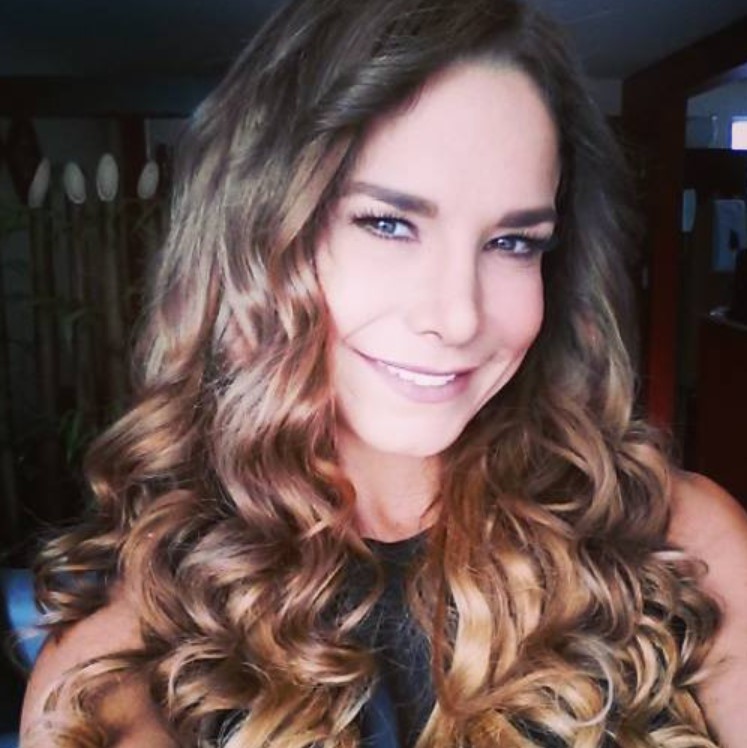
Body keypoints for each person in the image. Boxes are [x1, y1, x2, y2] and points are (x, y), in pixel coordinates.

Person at [20, 0, 747, 745]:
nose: (457, 317)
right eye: (387, 223)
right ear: (254, 237)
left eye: (513, 242)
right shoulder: (118, 666)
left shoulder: (684, 548)